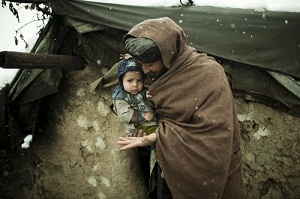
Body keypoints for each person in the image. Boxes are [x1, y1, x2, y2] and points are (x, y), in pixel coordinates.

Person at [117, 17, 246, 199]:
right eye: (140, 64)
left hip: (201, 172)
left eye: (150, 63)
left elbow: (213, 136)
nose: (144, 70)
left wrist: (158, 137)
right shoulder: (147, 76)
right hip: (165, 169)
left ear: (168, 54)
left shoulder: (208, 74)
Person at [112, 57, 158, 137]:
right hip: (138, 126)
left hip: (153, 122)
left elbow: (152, 106)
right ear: (121, 81)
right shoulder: (120, 97)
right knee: (159, 136)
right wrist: (143, 116)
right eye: (130, 81)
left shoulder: (143, 90)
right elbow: (125, 115)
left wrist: (149, 98)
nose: (135, 85)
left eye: (139, 80)